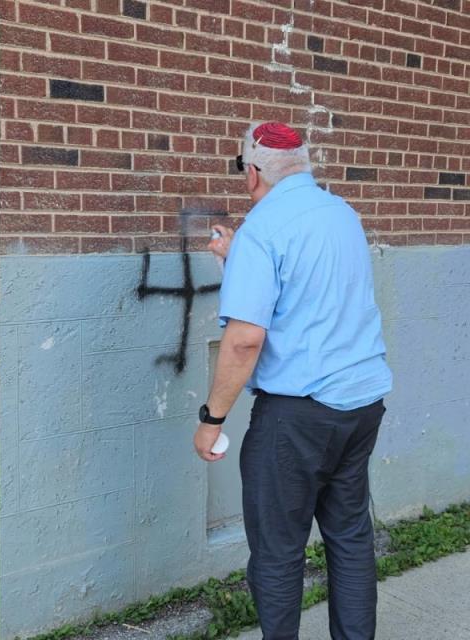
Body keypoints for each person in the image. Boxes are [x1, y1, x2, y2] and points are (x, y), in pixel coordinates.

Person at [193, 122, 393, 640]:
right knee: (349, 538)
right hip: (361, 405)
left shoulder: (263, 228)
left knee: (279, 552)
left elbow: (244, 341)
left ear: (252, 174)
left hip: (297, 416)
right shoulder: (343, 214)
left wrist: (211, 421)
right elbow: (312, 292)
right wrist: (239, 260)